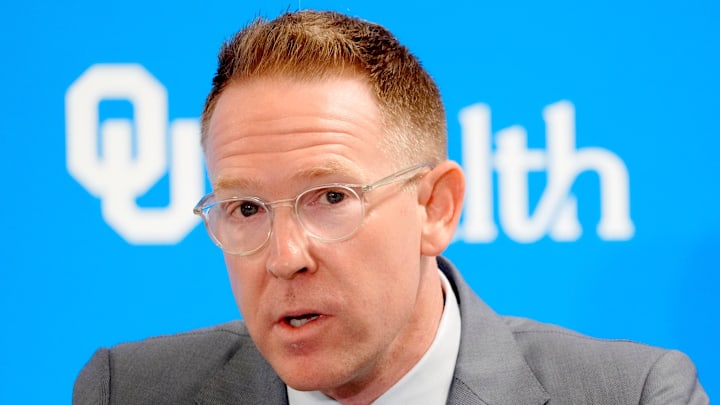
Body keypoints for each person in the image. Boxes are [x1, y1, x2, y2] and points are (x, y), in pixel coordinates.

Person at [73, 10, 708, 404]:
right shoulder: (126, 390)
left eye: (330, 197)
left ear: (436, 208)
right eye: (244, 209)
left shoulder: (633, 394)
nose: (284, 259)